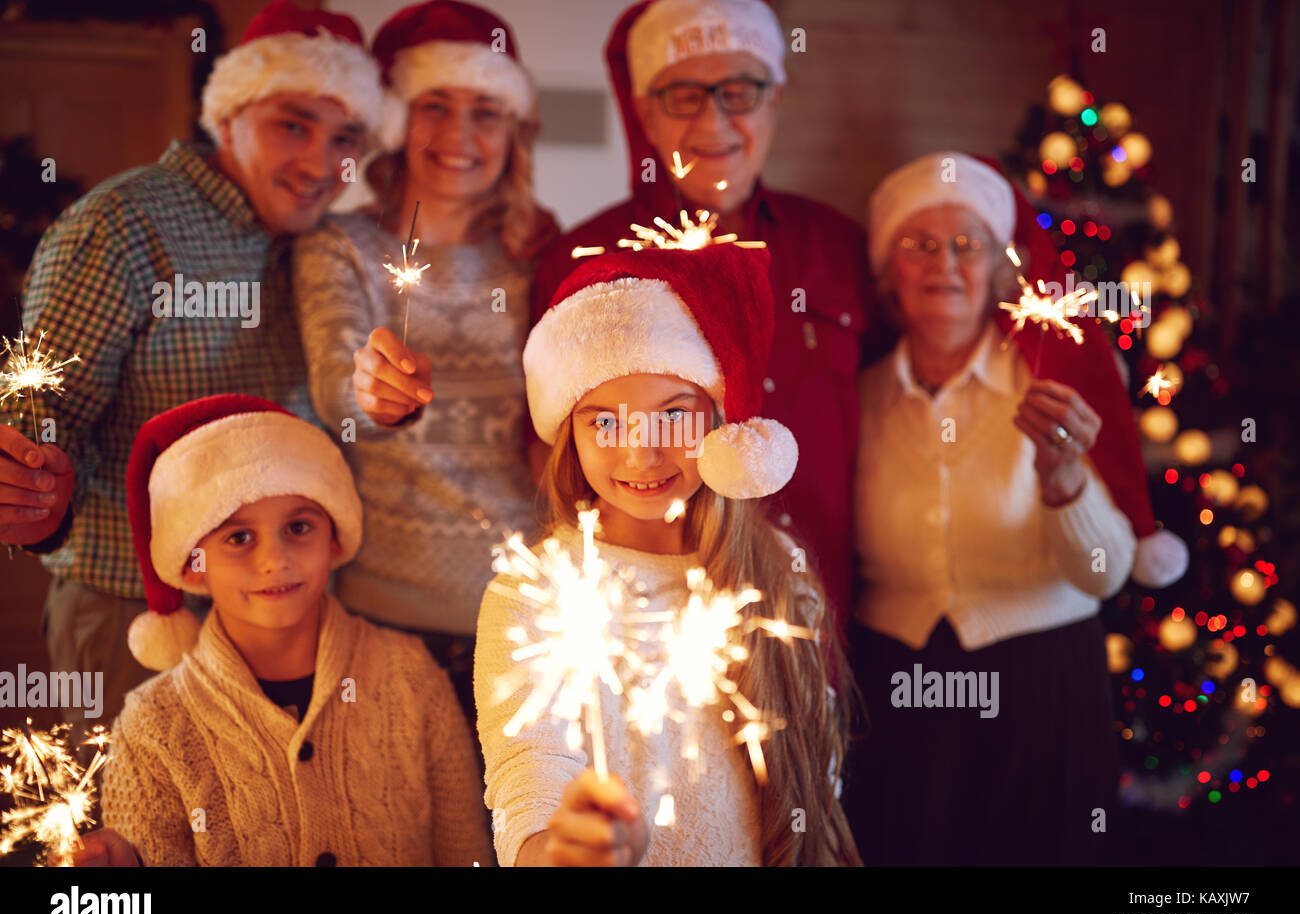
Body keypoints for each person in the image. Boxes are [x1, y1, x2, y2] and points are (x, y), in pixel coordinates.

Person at [0, 0, 390, 739]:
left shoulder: (329, 244)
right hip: (136, 616)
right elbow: (42, 415)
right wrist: (33, 485)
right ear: (231, 114)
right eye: (292, 124)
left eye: (345, 138)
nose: (319, 162)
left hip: (285, 612)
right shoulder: (122, 225)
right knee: (137, 840)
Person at [845, 151, 1188, 865]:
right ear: (888, 274)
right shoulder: (858, 395)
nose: (946, 264)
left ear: (1002, 270)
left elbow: (1105, 573)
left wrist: (1062, 477)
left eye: (969, 244)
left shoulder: (1054, 379)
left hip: (1045, 686)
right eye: (920, 244)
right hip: (895, 688)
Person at [476, 244, 859, 867]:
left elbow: (816, 771)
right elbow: (529, 778)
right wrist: (561, 851)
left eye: (673, 415)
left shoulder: (778, 569)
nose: (640, 455)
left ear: (722, 422)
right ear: (568, 434)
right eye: (604, 423)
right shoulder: (536, 592)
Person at [529, 0, 873, 643]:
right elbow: (544, 450)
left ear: (775, 99)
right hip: (651, 627)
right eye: (683, 95)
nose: (714, 119)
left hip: (828, 624)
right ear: (644, 110)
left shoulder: (839, 247)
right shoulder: (586, 260)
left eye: (739, 91)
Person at [59, 394, 491, 866]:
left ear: (335, 536)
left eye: (299, 527)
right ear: (193, 565)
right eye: (238, 537)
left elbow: (465, 851)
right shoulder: (150, 730)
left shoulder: (410, 676)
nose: (274, 560)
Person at [293, 0, 558, 722]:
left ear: (514, 130)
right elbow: (335, 394)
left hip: (527, 611)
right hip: (381, 615)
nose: (460, 135)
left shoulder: (539, 253)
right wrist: (376, 399)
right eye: (433, 105)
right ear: (394, 122)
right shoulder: (339, 246)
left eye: (486, 111)